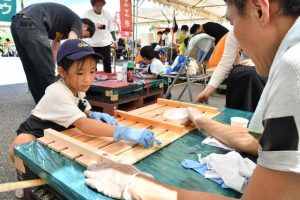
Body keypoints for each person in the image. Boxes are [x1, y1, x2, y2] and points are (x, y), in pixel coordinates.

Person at [83, 0, 300, 199]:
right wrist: (200, 119)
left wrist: (133, 185)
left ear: (259, 10)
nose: (235, 38)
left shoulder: (293, 64)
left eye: (232, 23)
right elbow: (256, 142)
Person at [8, 39, 160, 169]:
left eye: (93, 71)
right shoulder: (57, 92)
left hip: (60, 131)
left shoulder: (77, 87)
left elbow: (83, 108)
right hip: (37, 132)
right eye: (80, 73)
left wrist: (92, 113)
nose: (88, 79)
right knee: (21, 146)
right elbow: (84, 125)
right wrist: (124, 132)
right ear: (61, 71)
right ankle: (24, 175)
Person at [10, 3, 96, 104]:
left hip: (17, 23)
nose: (82, 38)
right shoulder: (77, 21)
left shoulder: (60, 29)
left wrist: (55, 64)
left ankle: (42, 105)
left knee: (32, 69)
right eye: (85, 36)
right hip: (32, 22)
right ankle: (56, 105)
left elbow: (55, 46)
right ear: (85, 27)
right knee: (47, 72)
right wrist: (70, 66)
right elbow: (72, 43)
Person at [197, 30, 267, 112]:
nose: (230, 21)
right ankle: (233, 115)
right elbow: (226, 63)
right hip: (245, 67)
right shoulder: (236, 30)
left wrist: (257, 62)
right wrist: (207, 91)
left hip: (272, 67)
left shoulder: (276, 25)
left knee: (252, 76)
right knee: (237, 74)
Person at [83, 0, 118, 73]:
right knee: (92, 63)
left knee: (107, 63)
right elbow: (83, 26)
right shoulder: (87, 13)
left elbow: (111, 28)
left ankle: (108, 80)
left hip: (104, 42)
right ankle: (93, 79)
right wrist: (93, 25)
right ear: (93, 5)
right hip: (91, 43)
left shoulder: (107, 14)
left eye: (101, 5)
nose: (99, 7)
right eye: (97, 5)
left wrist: (115, 41)